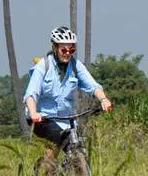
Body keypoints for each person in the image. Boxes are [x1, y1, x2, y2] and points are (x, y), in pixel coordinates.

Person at [23, 26, 112, 168]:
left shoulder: (76, 66)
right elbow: (31, 94)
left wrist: (103, 99)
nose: (68, 54)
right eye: (64, 50)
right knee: (56, 136)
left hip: (66, 120)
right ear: (55, 47)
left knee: (79, 149)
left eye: (71, 50)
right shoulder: (43, 66)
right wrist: (33, 112)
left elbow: (92, 85)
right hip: (42, 118)